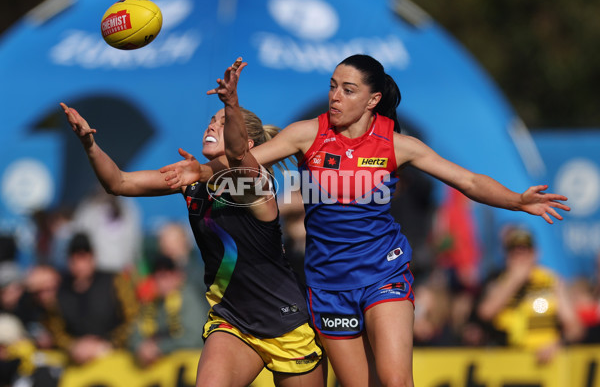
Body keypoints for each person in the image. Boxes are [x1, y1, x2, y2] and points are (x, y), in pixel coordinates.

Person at [161, 54, 570, 387]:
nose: (335, 96)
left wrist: (517, 200)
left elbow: (467, 179)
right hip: (327, 284)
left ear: (372, 100)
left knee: (394, 380)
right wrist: (227, 117)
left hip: (382, 271)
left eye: (348, 89)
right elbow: (242, 164)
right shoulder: (307, 134)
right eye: (333, 86)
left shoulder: (396, 143)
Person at [59, 63, 326, 386]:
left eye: (223, 123)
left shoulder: (256, 186)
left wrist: (232, 105)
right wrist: (89, 145)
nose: (211, 126)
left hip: (284, 322)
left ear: (250, 143)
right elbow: (119, 182)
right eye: (211, 121)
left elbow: (240, 159)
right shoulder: (191, 179)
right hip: (232, 320)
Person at [476, 226, 584, 363]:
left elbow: (574, 327)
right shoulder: (498, 281)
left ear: (535, 253)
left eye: (525, 251)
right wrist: (514, 281)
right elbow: (485, 312)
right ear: (507, 255)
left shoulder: (551, 282)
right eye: (515, 252)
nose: (521, 258)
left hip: (542, 363)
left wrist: (557, 344)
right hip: (507, 362)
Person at [44, 232, 138, 365]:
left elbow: (133, 319)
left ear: (93, 257)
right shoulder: (60, 290)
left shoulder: (115, 281)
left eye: (84, 257)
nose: (79, 263)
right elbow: (56, 329)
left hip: (116, 357)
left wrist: (108, 344)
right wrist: (74, 346)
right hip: (78, 362)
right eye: (74, 258)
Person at [127, 254, 206, 367]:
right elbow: (134, 335)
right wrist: (141, 347)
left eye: (166, 275)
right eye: (157, 276)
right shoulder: (151, 302)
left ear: (178, 276)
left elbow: (196, 338)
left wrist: (160, 348)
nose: (162, 281)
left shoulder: (188, 298)